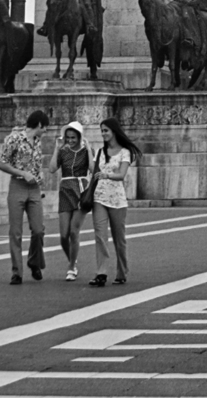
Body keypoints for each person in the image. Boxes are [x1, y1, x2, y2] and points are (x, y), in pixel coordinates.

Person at [0, 109, 51, 283]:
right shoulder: (13, 138)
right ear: (38, 125)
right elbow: (2, 163)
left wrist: (39, 175)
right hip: (18, 185)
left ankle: (34, 261)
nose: (46, 131)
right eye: (45, 127)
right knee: (16, 231)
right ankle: (17, 272)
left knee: (38, 230)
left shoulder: (37, 141)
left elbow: (36, 163)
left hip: (34, 187)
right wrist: (21, 172)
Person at [88, 118, 139, 288]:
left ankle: (122, 271)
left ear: (114, 131)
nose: (103, 134)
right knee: (100, 236)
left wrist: (106, 175)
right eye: (101, 131)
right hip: (99, 197)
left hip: (117, 199)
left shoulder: (125, 152)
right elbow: (94, 171)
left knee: (119, 238)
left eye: (106, 130)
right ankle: (101, 272)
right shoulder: (100, 152)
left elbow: (122, 174)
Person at [53, 122, 92, 281]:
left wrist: (89, 149)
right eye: (68, 137)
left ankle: (71, 268)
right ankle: (72, 259)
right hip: (65, 190)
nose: (70, 140)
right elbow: (51, 168)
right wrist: (56, 148)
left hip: (81, 189)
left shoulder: (86, 150)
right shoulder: (63, 151)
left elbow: (92, 168)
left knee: (74, 231)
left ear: (80, 137)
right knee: (63, 235)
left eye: (73, 137)